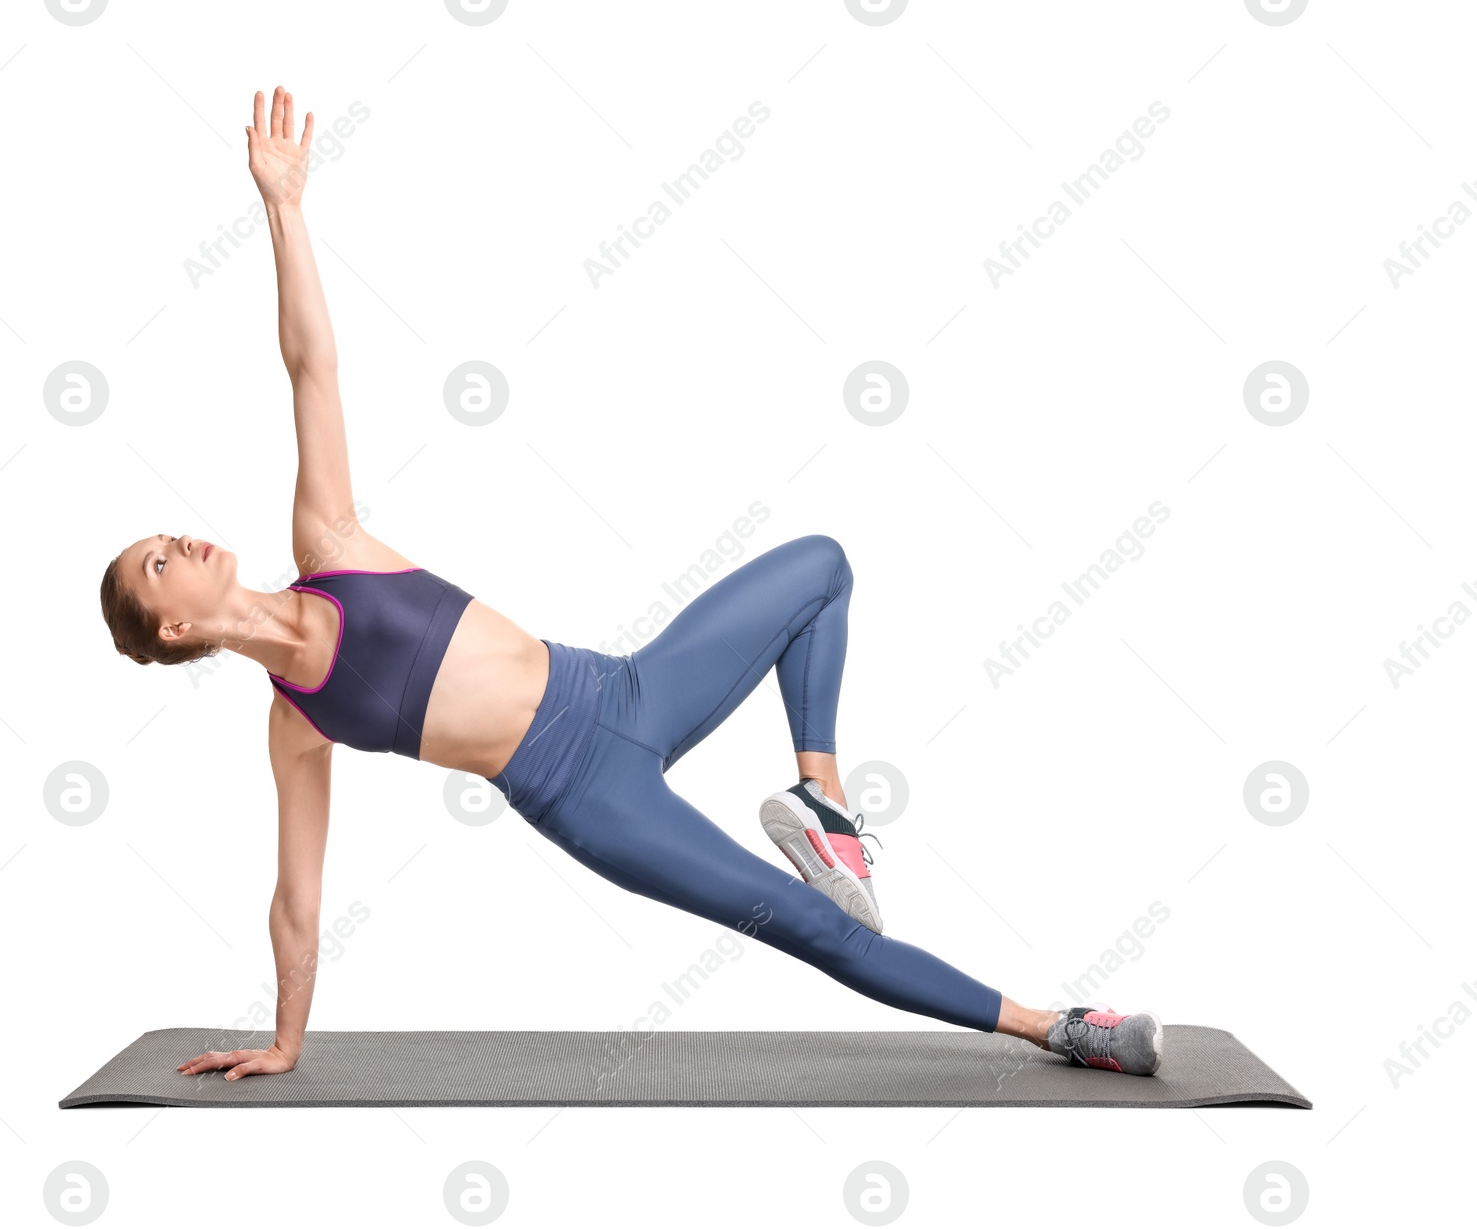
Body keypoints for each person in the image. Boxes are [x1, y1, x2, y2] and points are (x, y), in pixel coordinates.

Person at [98, 87, 1163, 1085]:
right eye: (157, 563)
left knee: (820, 570)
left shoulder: (326, 540)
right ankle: (1059, 1027)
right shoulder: (297, 725)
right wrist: (286, 1039)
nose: (175, 541)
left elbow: (311, 365)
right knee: (809, 927)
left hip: (621, 690)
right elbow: (296, 896)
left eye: (159, 539)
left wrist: (285, 207)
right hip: (585, 797)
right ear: (179, 625)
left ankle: (819, 804)